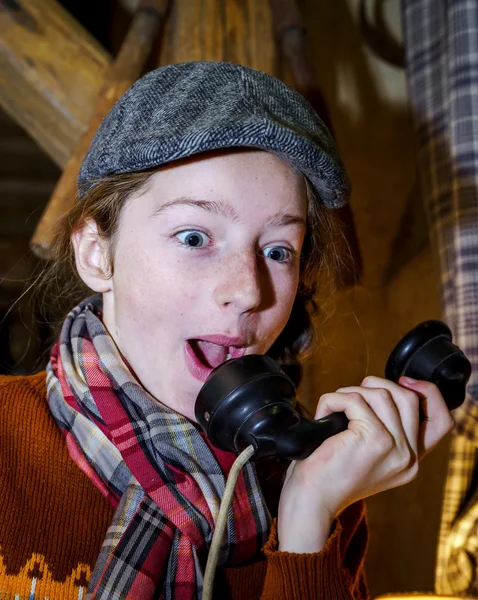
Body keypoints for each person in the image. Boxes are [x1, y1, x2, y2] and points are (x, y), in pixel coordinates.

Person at [0, 61, 454, 600]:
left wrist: (307, 521)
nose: (249, 290)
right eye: (194, 237)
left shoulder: (325, 482)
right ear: (97, 254)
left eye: (277, 250)